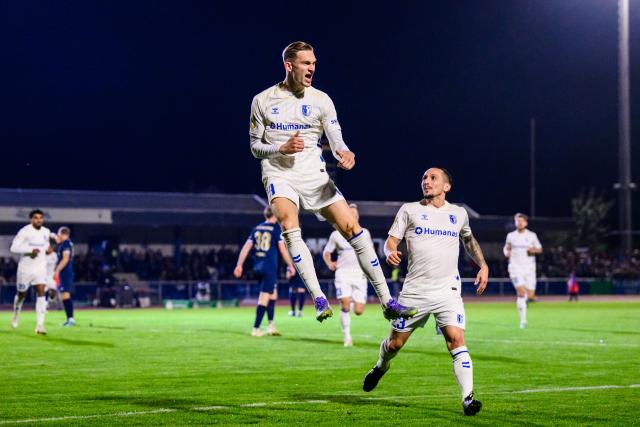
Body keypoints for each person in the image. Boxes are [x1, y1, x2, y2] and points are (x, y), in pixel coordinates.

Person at [249, 40, 415, 322]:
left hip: (314, 173)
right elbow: (255, 147)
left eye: (314, 63)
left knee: (353, 227)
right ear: (289, 66)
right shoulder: (262, 100)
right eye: (306, 63)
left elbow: (336, 139)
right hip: (279, 173)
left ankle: (388, 301)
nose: (312, 67)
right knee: (290, 225)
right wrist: (280, 148)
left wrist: (344, 152)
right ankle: (319, 298)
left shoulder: (322, 100)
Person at [362, 168, 488, 416]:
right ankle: (380, 366)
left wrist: (482, 265)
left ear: (446, 186)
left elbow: (469, 240)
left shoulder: (459, 213)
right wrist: (389, 253)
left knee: (456, 340)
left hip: (448, 291)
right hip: (415, 291)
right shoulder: (409, 210)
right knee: (395, 344)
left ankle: (467, 399)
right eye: (424, 178)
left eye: (433, 178)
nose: (426, 182)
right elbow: (391, 241)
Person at [234, 206, 295, 337]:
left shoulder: (257, 228)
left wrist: (239, 264)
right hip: (269, 267)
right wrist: (291, 265)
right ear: (275, 215)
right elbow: (283, 250)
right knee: (264, 297)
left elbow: (246, 247)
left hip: (257, 267)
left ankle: (271, 326)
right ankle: (256, 328)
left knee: (273, 295)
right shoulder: (275, 229)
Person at [322, 203, 371, 347]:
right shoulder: (336, 234)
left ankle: (347, 302)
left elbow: (370, 253)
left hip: (360, 275)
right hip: (342, 274)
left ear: (358, 216)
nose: (353, 217)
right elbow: (327, 252)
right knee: (344, 304)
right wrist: (329, 263)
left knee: (359, 311)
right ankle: (347, 337)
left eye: (355, 215)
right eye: (351, 214)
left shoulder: (364, 233)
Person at [10, 209, 52, 334]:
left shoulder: (46, 232)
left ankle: (40, 325)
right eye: (35, 218)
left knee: (41, 293)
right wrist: (30, 250)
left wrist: (48, 249)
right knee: (21, 295)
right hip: (25, 269)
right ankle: (16, 314)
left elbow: (45, 246)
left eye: (40, 218)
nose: (38, 220)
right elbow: (13, 248)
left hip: (40, 268)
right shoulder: (24, 231)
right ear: (31, 219)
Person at [503, 213, 543, 329]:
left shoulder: (532, 235)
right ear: (515, 222)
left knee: (530, 295)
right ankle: (523, 321)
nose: (519, 223)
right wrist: (506, 252)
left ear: (526, 223)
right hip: (515, 268)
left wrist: (533, 249)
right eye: (517, 221)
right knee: (521, 293)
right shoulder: (511, 236)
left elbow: (540, 249)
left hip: (529, 268)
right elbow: (506, 248)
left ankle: (526, 300)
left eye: (521, 221)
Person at [55, 227, 76, 326]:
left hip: (66, 272)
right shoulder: (65, 243)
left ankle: (71, 320)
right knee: (63, 295)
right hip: (65, 272)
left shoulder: (66, 244)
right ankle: (69, 319)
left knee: (65, 295)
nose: (58, 236)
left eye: (59, 234)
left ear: (63, 234)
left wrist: (57, 270)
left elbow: (65, 259)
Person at [45, 238, 59, 309]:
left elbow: (58, 264)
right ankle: (45, 304)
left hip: (51, 275)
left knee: (53, 290)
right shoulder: (42, 255)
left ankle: (52, 300)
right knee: (42, 291)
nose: (49, 249)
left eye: (50, 247)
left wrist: (56, 273)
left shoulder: (54, 255)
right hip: (43, 275)